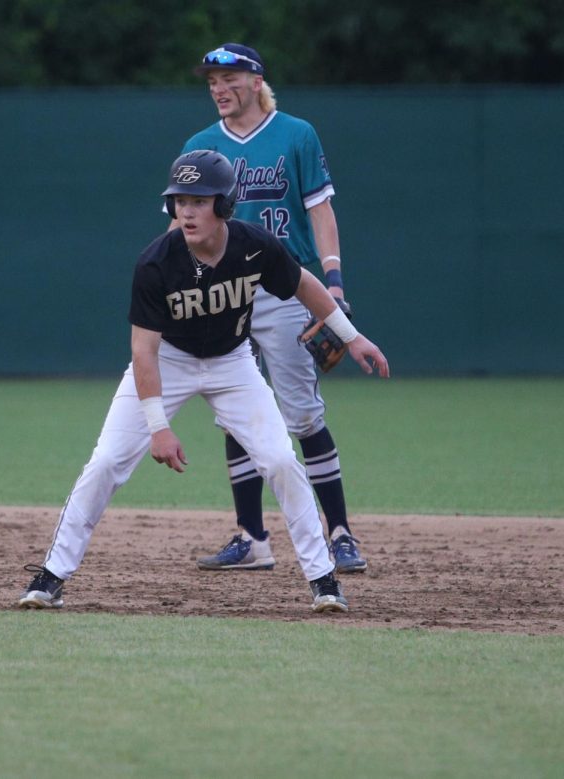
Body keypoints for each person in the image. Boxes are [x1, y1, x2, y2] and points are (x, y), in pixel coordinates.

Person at [18, 150, 389, 614]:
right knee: (107, 460)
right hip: (168, 361)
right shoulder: (156, 263)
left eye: (199, 200)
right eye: (180, 201)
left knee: (278, 458)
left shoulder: (253, 245)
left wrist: (351, 338)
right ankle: (51, 575)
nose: (187, 211)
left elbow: (304, 285)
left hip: (233, 363)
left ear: (225, 204)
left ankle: (323, 579)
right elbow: (143, 352)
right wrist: (158, 426)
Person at [176, 43, 369, 575]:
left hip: (287, 287)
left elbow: (320, 210)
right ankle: (252, 538)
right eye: (211, 79)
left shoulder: (295, 134)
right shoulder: (201, 145)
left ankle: (341, 534)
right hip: (226, 292)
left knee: (302, 413)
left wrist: (332, 282)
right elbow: (182, 225)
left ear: (257, 80)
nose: (218, 87)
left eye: (229, 77)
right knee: (236, 414)